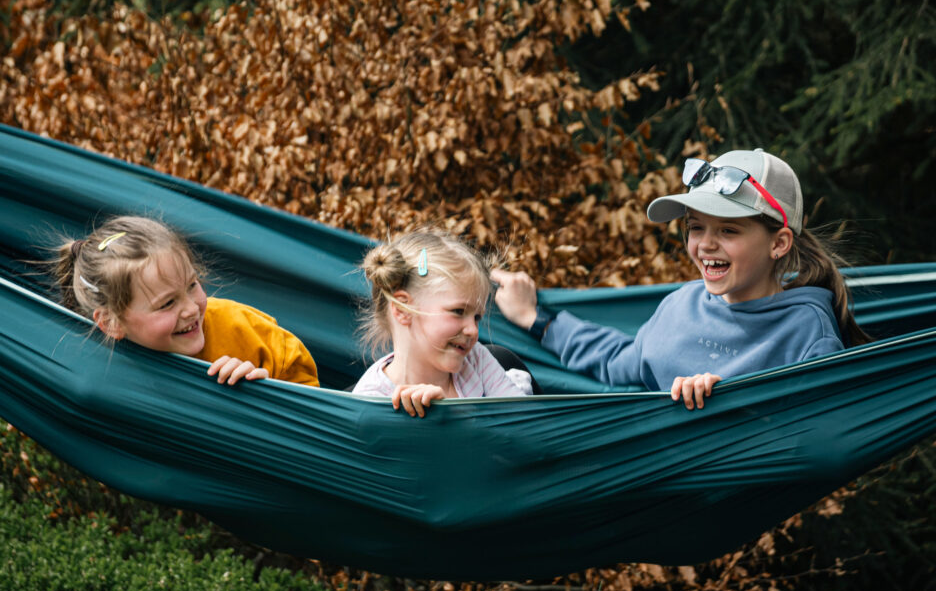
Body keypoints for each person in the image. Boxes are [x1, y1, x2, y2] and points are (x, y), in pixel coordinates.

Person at [493, 148, 869, 410]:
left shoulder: (807, 330)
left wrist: (724, 404)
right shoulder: (682, 304)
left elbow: (814, 428)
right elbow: (617, 359)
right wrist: (535, 319)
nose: (705, 245)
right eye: (695, 228)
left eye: (728, 231)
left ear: (779, 243)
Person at [53, 215, 319, 387]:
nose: (192, 309)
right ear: (112, 323)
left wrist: (265, 389)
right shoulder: (105, 368)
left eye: (192, 285)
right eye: (167, 303)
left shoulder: (243, 329)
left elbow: (314, 402)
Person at [353, 230, 531, 417]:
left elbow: (526, 429)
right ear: (403, 310)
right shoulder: (373, 403)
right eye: (458, 311)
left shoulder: (476, 360)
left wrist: (453, 414)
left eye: (477, 318)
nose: (473, 330)